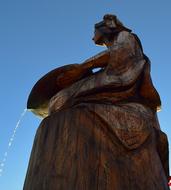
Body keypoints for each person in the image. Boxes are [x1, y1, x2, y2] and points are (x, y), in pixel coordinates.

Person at [24, 14, 169, 190]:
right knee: (58, 101)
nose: (93, 37)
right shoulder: (117, 43)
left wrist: (81, 69)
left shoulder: (126, 37)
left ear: (107, 27)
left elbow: (117, 58)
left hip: (119, 81)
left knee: (60, 100)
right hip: (111, 79)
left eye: (94, 32)